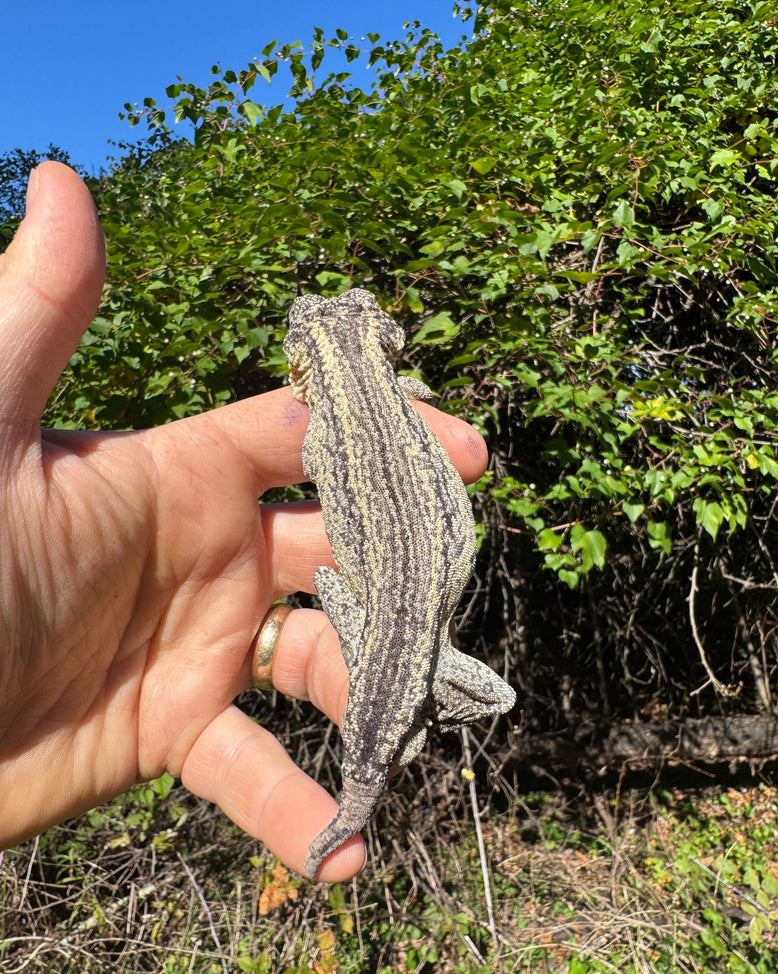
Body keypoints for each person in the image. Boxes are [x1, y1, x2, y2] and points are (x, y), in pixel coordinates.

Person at [0, 162, 490, 880]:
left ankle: (384, 744)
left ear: (302, 364)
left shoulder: (332, 421)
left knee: (378, 646)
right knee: (396, 659)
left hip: (402, 583)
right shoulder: (391, 393)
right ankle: (387, 741)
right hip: (407, 578)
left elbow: (330, 461)